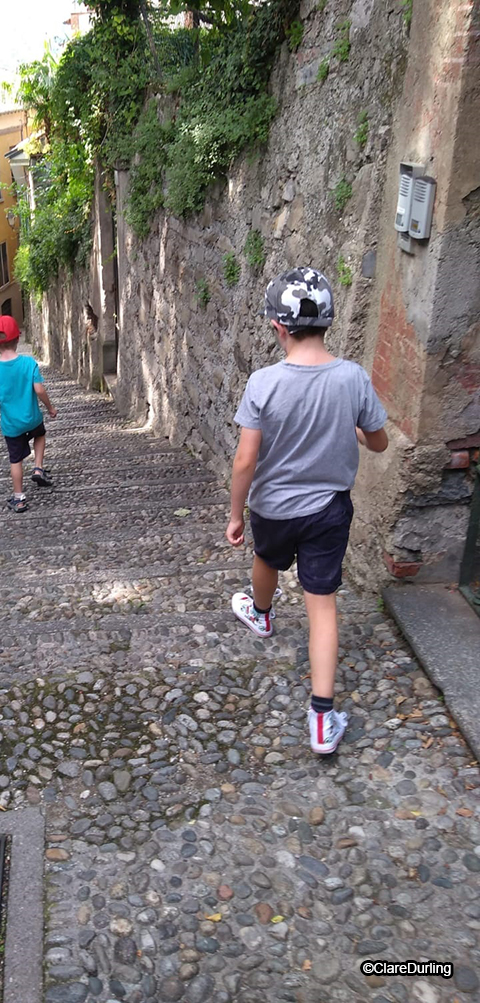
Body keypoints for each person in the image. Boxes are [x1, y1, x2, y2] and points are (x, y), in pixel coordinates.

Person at [225, 267, 388, 755]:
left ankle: (262, 614)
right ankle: (321, 718)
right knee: (322, 605)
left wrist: (237, 514)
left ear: (278, 327)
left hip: (273, 507)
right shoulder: (353, 377)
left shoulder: (263, 382)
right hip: (328, 508)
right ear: (329, 323)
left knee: (267, 559)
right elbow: (377, 441)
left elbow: (245, 459)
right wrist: (356, 428)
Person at [0, 314, 57, 513]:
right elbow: (39, 390)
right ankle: (38, 467)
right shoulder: (28, 363)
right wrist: (50, 408)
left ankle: (19, 498)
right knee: (40, 434)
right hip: (32, 418)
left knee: (15, 460)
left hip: (11, 425)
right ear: (18, 338)